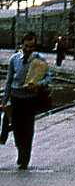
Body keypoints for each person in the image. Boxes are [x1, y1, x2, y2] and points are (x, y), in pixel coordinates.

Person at [1, 33, 50, 169]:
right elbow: (8, 80)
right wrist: (4, 101)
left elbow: (48, 77)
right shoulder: (14, 59)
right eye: (26, 46)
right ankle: (20, 150)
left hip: (30, 99)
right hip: (16, 99)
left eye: (31, 47)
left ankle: (24, 159)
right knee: (17, 128)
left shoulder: (39, 59)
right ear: (21, 45)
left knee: (28, 129)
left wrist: (38, 85)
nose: (28, 49)